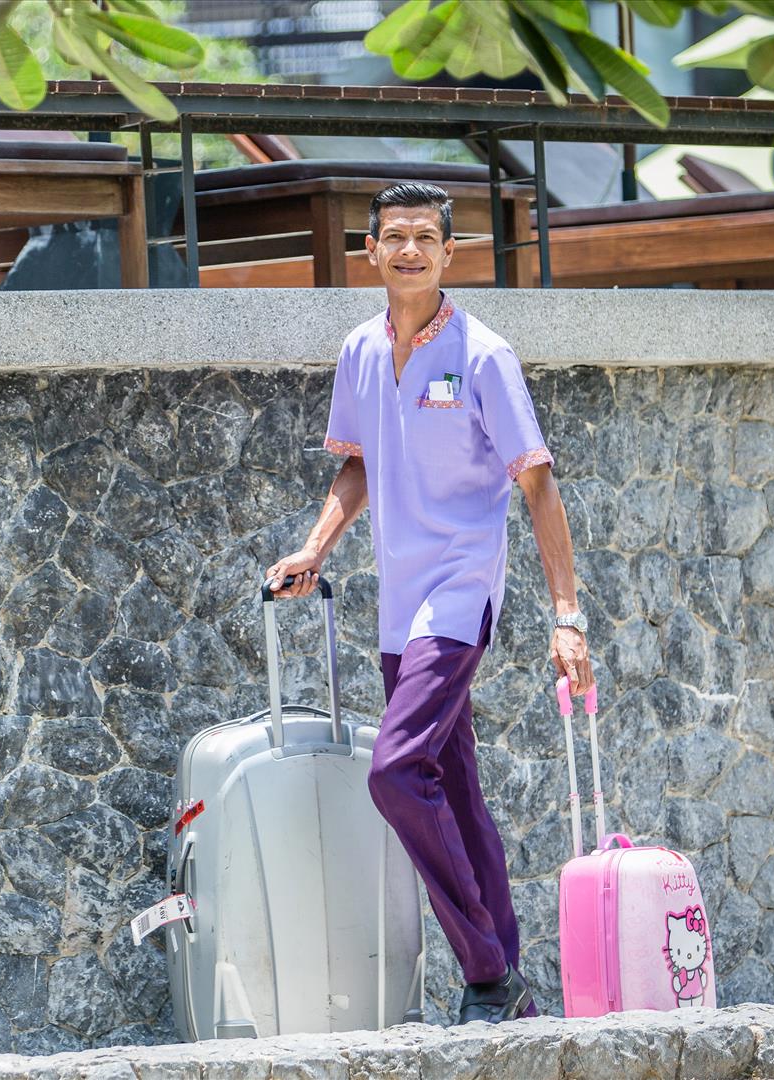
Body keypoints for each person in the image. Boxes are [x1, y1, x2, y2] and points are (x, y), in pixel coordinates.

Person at [266, 182, 594, 1025]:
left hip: (458, 591)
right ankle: (511, 995)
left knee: (396, 771)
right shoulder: (359, 350)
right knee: (454, 784)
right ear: (370, 251)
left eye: (425, 237)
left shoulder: (483, 356)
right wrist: (315, 547)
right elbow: (360, 462)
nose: (409, 250)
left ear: (450, 253)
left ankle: (487, 972)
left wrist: (566, 616)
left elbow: (538, 482)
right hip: (398, 599)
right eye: (394, 237)